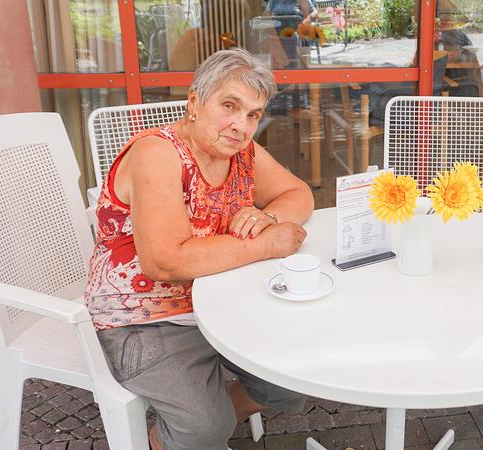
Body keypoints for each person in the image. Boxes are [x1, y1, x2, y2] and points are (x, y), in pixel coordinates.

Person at [83, 48, 314, 450]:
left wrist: (269, 219)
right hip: (144, 318)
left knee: (295, 383)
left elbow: (298, 193)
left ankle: (208, 414)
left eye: (253, 114)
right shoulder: (157, 152)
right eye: (229, 106)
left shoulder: (242, 152)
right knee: (207, 428)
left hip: (217, 301)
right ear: (194, 101)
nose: (240, 126)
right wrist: (265, 245)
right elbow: (164, 261)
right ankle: (179, 434)